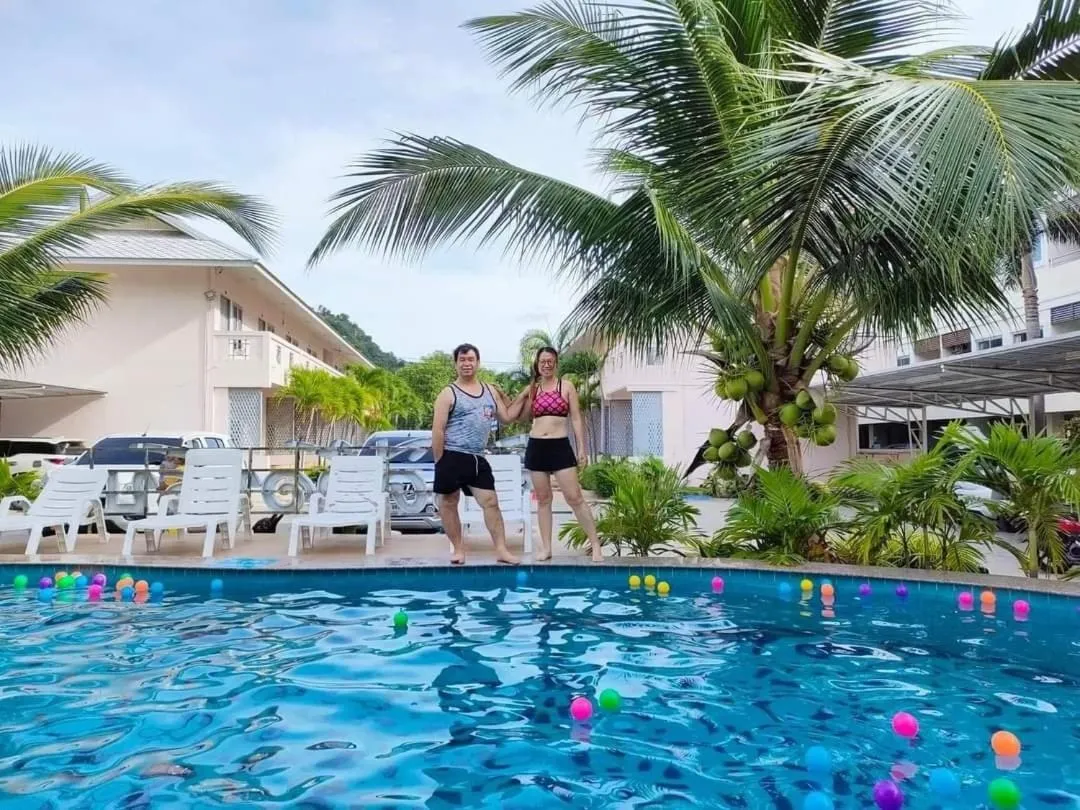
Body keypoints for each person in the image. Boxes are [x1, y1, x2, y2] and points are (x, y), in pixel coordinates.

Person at [505, 346, 603, 562]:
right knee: (543, 500)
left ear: (556, 363)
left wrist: (581, 448)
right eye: (542, 362)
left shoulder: (566, 387)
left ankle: (595, 545)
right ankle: (547, 548)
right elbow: (519, 417)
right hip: (537, 447)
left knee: (575, 497)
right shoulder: (533, 390)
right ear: (537, 365)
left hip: (560, 446)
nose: (546, 364)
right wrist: (522, 394)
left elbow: (576, 418)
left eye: (550, 361)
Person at [431, 343, 520, 565]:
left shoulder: (490, 390)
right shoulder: (448, 393)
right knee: (449, 502)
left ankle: (501, 550)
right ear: (456, 364)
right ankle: (458, 550)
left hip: (478, 458)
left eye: (470, 359)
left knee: (490, 501)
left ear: (478, 363)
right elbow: (437, 429)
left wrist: (526, 395)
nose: (467, 363)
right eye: (462, 360)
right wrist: (439, 461)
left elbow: (507, 416)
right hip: (452, 455)